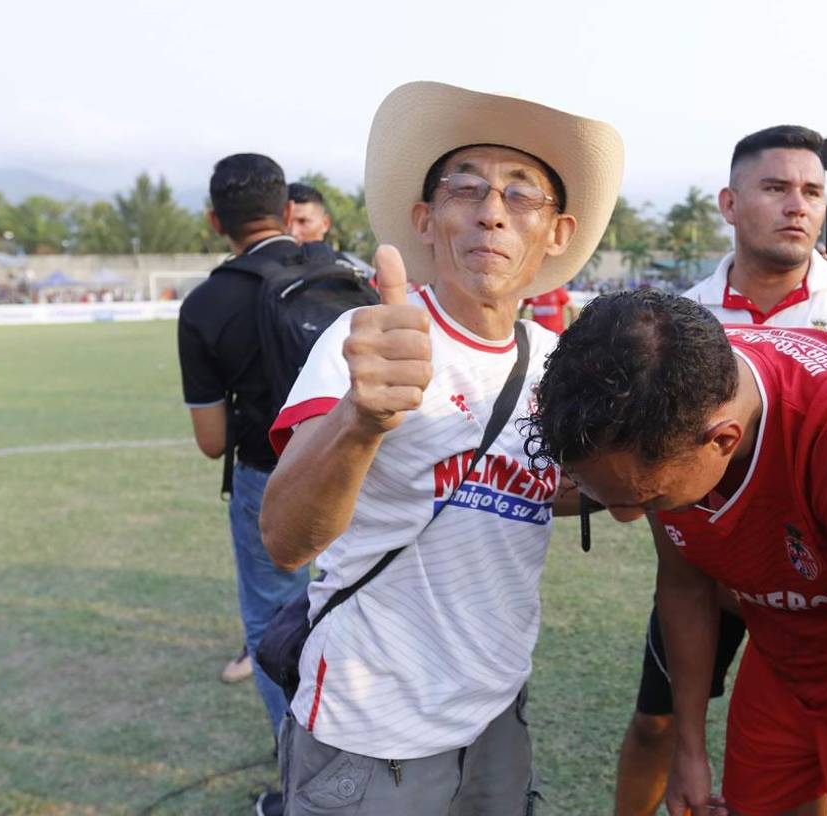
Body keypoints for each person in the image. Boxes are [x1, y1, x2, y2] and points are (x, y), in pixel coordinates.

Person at [259, 81, 623, 814]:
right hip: (371, 720)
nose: (492, 211)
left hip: (497, 709)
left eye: (522, 195)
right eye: (468, 188)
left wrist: (627, 472)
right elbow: (285, 540)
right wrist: (360, 420)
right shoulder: (369, 342)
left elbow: (533, 485)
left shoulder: (561, 366)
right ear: (427, 219)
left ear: (556, 233)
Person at [526, 290, 827, 816]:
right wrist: (689, 748)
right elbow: (685, 584)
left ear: (723, 440)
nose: (627, 517)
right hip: (785, 645)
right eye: (605, 498)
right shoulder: (660, 394)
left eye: (647, 499)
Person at [615, 125, 827, 816]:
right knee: (656, 722)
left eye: (813, 191)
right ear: (729, 204)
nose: (798, 205)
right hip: (711, 572)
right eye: (776, 188)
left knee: (817, 742)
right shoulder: (680, 319)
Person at [176, 153, 313, 814]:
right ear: (290, 212)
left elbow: (210, 442)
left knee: (273, 627)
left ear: (214, 222)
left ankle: (307, 779)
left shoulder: (206, 303)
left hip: (269, 479)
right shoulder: (344, 278)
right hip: (371, 474)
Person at [287, 181, 377, 278]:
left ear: (325, 223)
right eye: (285, 222)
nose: (293, 232)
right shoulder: (269, 273)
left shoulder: (359, 272)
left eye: (303, 222)